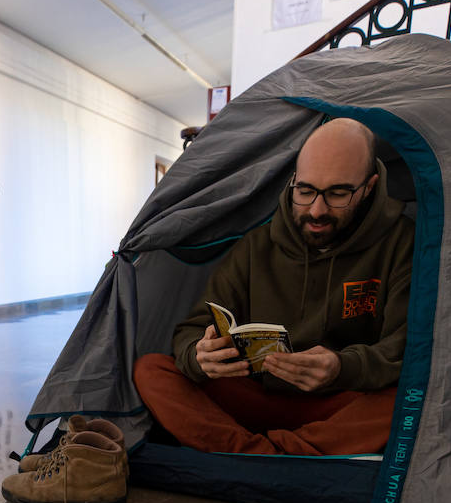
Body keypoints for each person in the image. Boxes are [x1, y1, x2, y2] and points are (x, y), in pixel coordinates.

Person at [133, 118, 415, 455]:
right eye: (306, 190)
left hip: (339, 404)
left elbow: (405, 350)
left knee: (410, 402)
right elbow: (192, 329)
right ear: (293, 181)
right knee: (152, 369)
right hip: (256, 396)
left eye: (338, 193)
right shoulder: (256, 246)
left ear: (369, 187)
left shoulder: (402, 243)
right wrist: (199, 355)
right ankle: (274, 457)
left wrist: (342, 368)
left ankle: (248, 455)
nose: (317, 210)